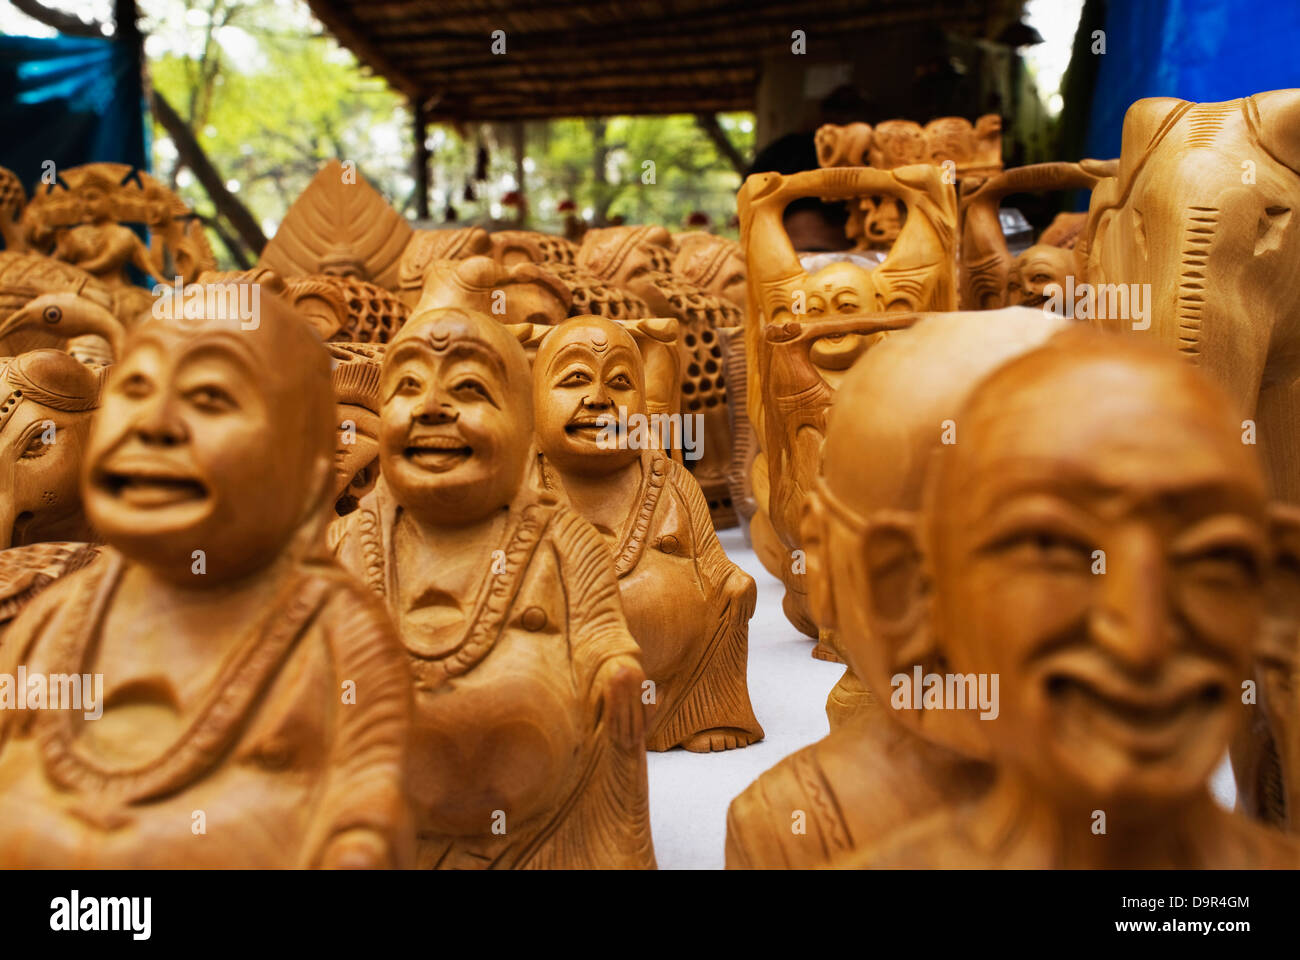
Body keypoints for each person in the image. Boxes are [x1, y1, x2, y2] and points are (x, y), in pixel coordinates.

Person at [0, 287, 413, 867]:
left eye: (210, 397)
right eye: (136, 388)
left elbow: (366, 818)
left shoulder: (336, 636)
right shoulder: (54, 617)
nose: (155, 423)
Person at [329, 307, 657, 868]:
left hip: (549, 809)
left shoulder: (560, 537)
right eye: (409, 386)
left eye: (469, 387)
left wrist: (614, 668)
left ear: (524, 427)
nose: (433, 408)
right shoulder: (352, 540)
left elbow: (602, 630)